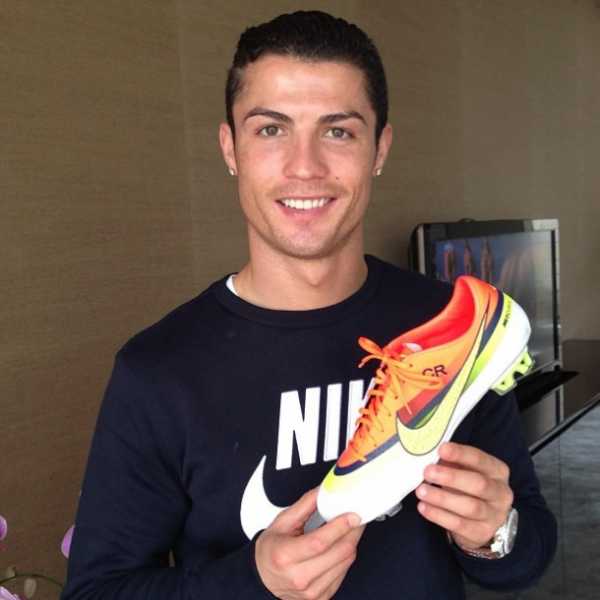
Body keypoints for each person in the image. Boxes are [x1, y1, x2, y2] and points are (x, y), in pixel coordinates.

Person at [62, 11, 556, 600]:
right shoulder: (157, 369)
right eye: (271, 129)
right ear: (230, 148)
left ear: (379, 149)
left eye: (338, 131)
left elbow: (526, 554)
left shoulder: (451, 330)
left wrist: (493, 533)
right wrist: (253, 582)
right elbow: (96, 591)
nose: (305, 166)